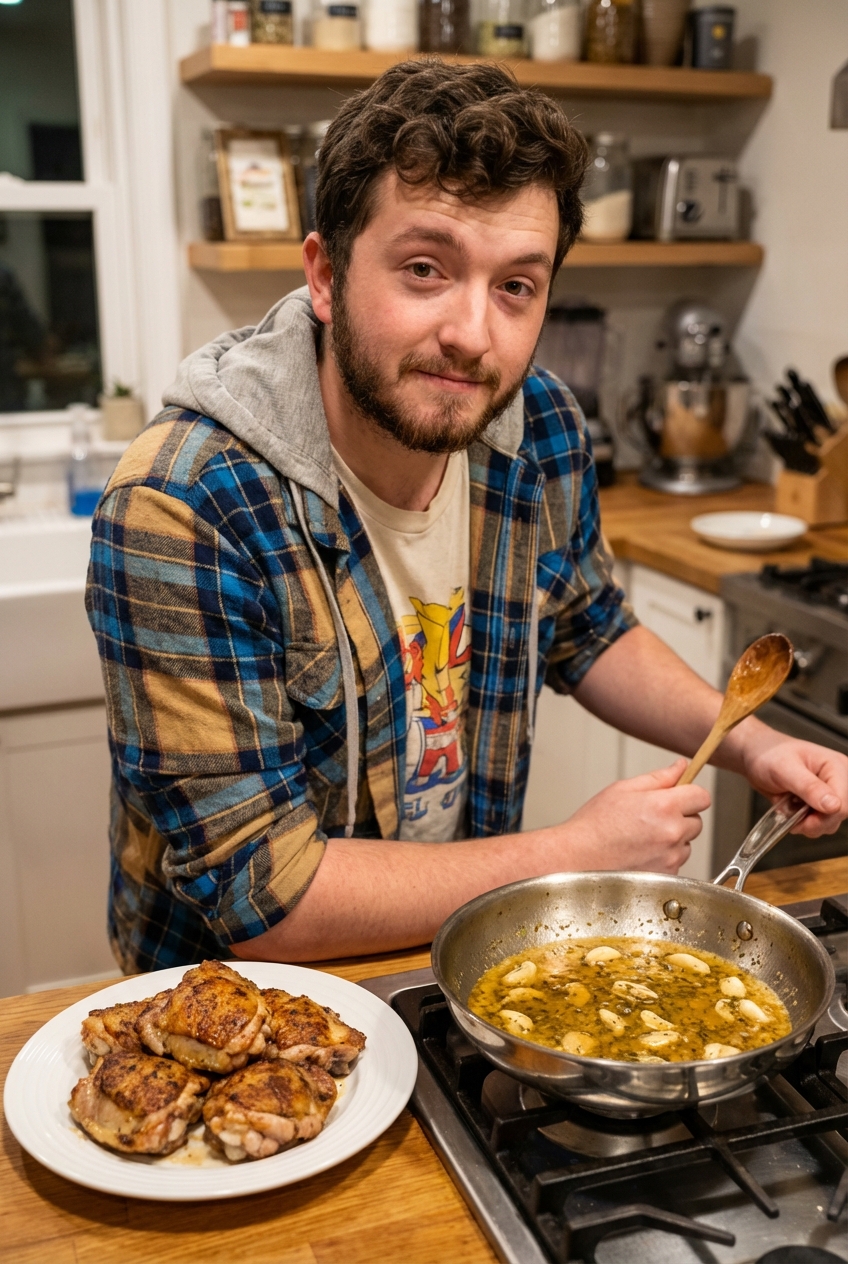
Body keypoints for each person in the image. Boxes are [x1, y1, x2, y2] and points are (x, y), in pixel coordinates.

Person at [86, 61, 847, 974]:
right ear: (325, 275)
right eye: (424, 270)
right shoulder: (184, 504)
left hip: (464, 954)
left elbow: (584, 625)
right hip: (242, 1017)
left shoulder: (538, 424)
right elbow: (264, 891)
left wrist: (757, 747)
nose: (473, 333)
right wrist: (576, 855)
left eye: (516, 286)